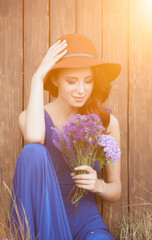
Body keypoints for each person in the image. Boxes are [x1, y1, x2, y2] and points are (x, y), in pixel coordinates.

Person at [8, 33, 121, 240]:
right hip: (44, 224)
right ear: (55, 79)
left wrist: (99, 185)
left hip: (87, 225)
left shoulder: (106, 122)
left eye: (88, 81)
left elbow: (116, 190)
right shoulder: (30, 119)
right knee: (33, 151)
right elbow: (33, 138)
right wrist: (37, 78)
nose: (81, 90)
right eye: (71, 81)